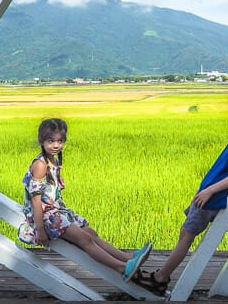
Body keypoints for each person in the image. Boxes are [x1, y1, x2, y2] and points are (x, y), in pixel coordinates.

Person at [134, 85, 228, 296]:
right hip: (206, 197)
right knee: (184, 233)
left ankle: (160, 278)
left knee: (186, 237)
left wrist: (209, 191)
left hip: (211, 198)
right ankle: (161, 275)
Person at [18, 117, 152, 281]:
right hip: (44, 216)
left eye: (60, 141)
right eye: (51, 141)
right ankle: (122, 267)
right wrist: (40, 229)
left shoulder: (53, 161)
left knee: (90, 233)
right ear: (41, 141)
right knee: (85, 239)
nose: (56, 145)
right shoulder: (40, 164)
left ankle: (127, 257)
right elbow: (35, 200)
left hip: (55, 211)